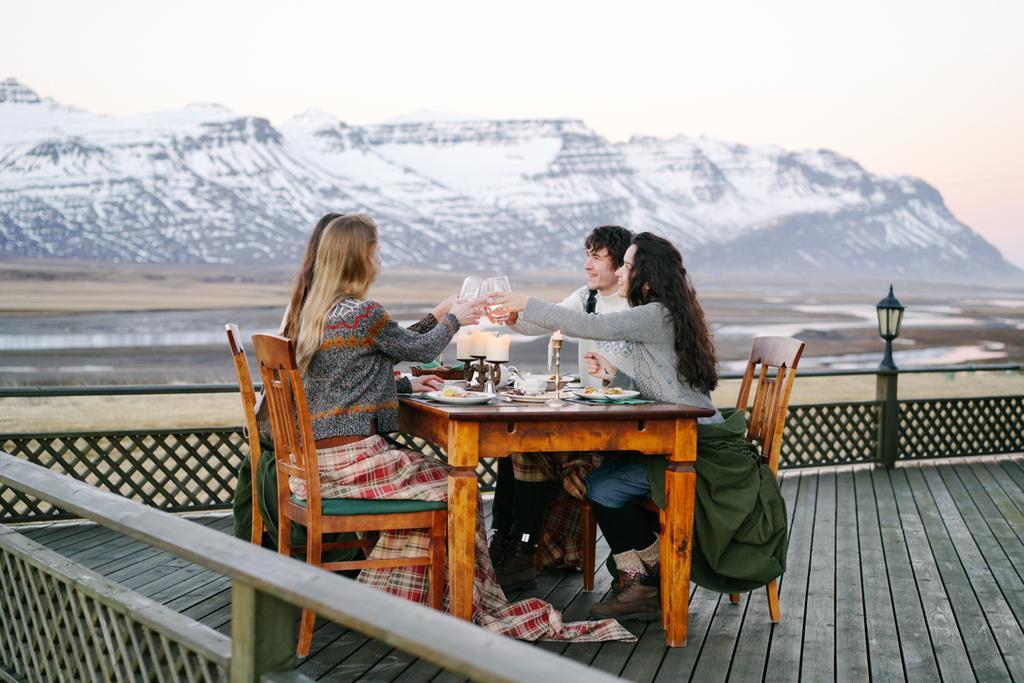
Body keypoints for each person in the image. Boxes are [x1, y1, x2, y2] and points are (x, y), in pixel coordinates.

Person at [286, 213, 635, 642]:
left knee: (448, 479)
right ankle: (452, 605)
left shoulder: (317, 309)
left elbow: (376, 353)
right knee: (460, 490)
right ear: (360, 258)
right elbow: (416, 347)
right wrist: (456, 320)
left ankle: (432, 593)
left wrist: (434, 325)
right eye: (375, 251)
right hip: (349, 466)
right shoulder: (363, 313)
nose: (379, 259)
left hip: (314, 466)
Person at [491, 232, 788, 621]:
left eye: (628, 267)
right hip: (685, 439)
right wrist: (617, 375)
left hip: (701, 449)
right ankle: (646, 574)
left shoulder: (655, 314)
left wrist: (526, 303)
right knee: (601, 475)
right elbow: (667, 386)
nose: (622, 274)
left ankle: (646, 579)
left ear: (646, 279)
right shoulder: (668, 314)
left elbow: (587, 326)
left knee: (604, 484)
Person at [489, 225, 634, 590]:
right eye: (587, 255)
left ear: (621, 265)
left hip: (625, 430)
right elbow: (545, 319)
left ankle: (522, 551)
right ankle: (505, 543)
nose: (587, 265)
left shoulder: (636, 308)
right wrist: (513, 319)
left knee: (528, 448)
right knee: (512, 446)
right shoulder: (586, 297)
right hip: (590, 418)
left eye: (597, 257)